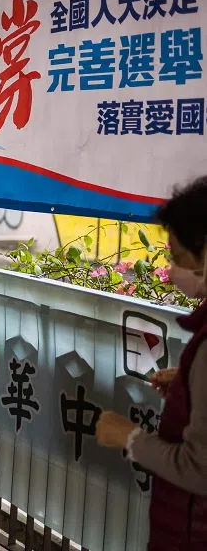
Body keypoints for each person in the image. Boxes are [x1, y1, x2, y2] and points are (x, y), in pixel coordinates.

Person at [96, 177, 207, 551]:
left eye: (177, 257)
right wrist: (190, 380)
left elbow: (199, 469)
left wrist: (129, 437)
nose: (172, 270)